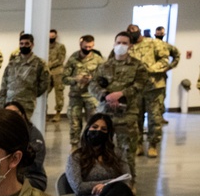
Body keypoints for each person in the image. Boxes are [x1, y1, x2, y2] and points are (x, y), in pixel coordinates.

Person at [89, 32, 149, 181]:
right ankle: (102, 180)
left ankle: (129, 181)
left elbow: (140, 85)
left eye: (124, 43)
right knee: (100, 150)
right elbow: (92, 84)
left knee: (127, 152)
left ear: (130, 46)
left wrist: (121, 94)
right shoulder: (104, 66)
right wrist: (106, 95)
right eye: (118, 42)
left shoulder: (138, 66)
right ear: (114, 44)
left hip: (126, 116)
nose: (121, 45)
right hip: (105, 115)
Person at [126, 24, 177, 158]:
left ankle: (153, 145)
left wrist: (153, 69)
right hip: (136, 89)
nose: (132, 33)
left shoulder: (154, 43)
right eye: (129, 31)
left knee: (154, 118)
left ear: (139, 31)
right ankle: (138, 145)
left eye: (134, 30)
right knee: (136, 118)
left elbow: (165, 58)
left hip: (154, 88)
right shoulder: (128, 47)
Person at [62, 35, 104, 148]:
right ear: (80, 45)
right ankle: (74, 145)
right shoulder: (73, 59)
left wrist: (92, 79)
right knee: (74, 122)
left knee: (94, 122)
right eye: (86, 46)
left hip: (91, 96)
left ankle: (91, 144)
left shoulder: (98, 59)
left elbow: (103, 78)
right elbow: (64, 78)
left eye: (90, 46)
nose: (88, 48)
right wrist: (76, 79)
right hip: (75, 96)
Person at [0, 33, 50, 117]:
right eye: (21, 44)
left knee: (23, 126)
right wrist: (1, 103)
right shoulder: (12, 63)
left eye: (26, 43)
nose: (23, 46)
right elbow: (4, 84)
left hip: (26, 104)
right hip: (9, 102)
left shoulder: (39, 63)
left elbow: (44, 83)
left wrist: (30, 93)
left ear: (32, 45)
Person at [3, 102, 47, 191]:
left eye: (15, 113)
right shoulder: (2, 133)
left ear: (22, 115)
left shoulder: (34, 134)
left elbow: (36, 163)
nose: (12, 117)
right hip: (8, 174)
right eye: (7, 114)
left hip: (32, 177)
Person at [152, 26, 180, 122]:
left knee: (161, 96)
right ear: (155, 34)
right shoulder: (150, 45)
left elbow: (177, 55)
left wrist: (169, 67)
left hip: (160, 76)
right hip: (148, 75)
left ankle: (160, 116)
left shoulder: (167, 46)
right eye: (158, 33)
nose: (159, 35)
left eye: (161, 33)